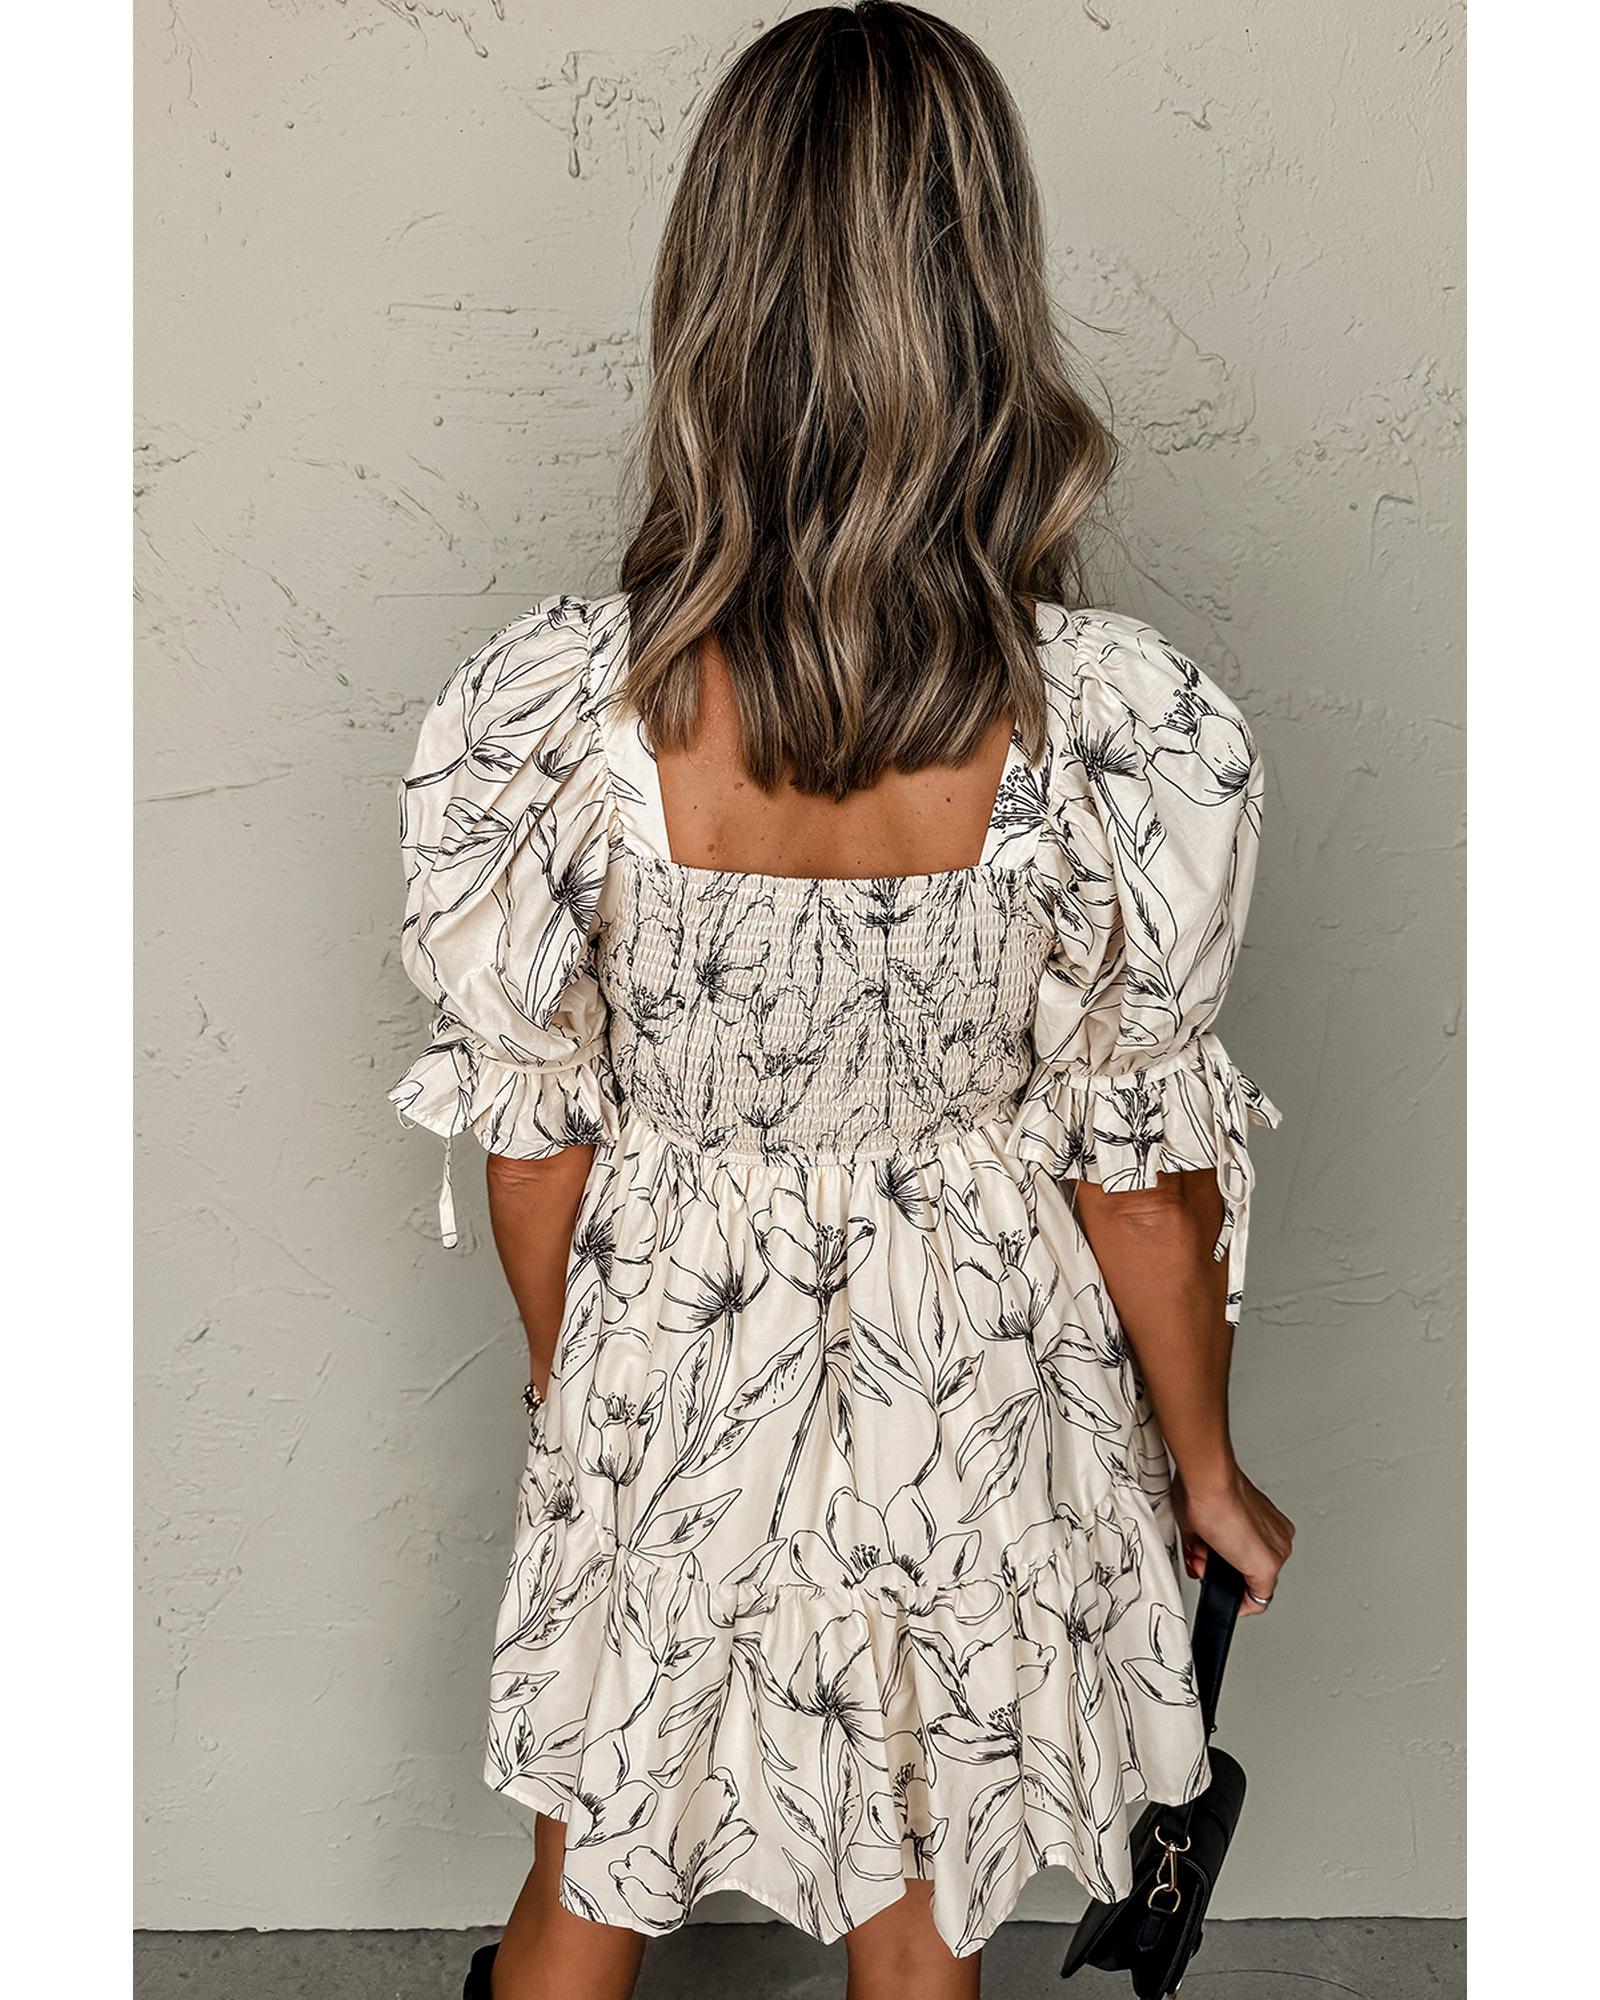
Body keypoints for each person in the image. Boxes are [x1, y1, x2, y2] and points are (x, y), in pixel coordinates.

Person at [386, 7, 1293, 1996]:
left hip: (669, 1336)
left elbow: (533, 1144)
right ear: (988, 308)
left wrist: (579, 1386)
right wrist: (1203, 1467)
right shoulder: (1106, 728)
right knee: (925, 1871)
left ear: (708, 307)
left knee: (591, 1863)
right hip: (970, 1354)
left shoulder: (560, 716)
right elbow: (1144, 1184)